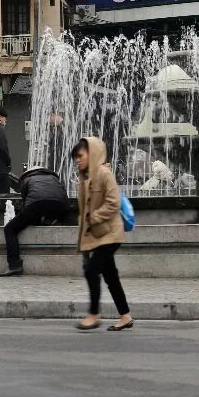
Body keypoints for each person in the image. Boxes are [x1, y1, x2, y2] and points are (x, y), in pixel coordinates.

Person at [72, 136, 132, 332]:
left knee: (92, 271)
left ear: (93, 153)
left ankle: (94, 314)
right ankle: (125, 316)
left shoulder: (104, 174)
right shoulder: (86, 178)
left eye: (80, 156)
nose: (78, 160)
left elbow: (113, 203)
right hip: (99, 235)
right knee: (110, 275)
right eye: (76, 157)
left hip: (110, 234)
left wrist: (93, 217)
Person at [0, 164, 68, 277]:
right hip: (60, 206)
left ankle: (14, 265)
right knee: (43, 214)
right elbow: (63, 196)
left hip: (37, 205)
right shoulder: (54, 178)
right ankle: (49, 220)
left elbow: (26, 204)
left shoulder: (27, 179)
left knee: (10, 229)